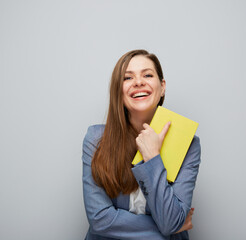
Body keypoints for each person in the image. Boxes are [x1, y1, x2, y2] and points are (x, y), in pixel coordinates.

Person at [82, 49, 201, 239]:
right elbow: (100, 219)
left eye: (147, 75)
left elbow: (172, 221)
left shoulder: (188, 144)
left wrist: (153, 157)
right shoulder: (96, 139)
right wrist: (170, 229)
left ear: (162, 87)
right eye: (127, 78)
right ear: (118, 91)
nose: (139, 82)